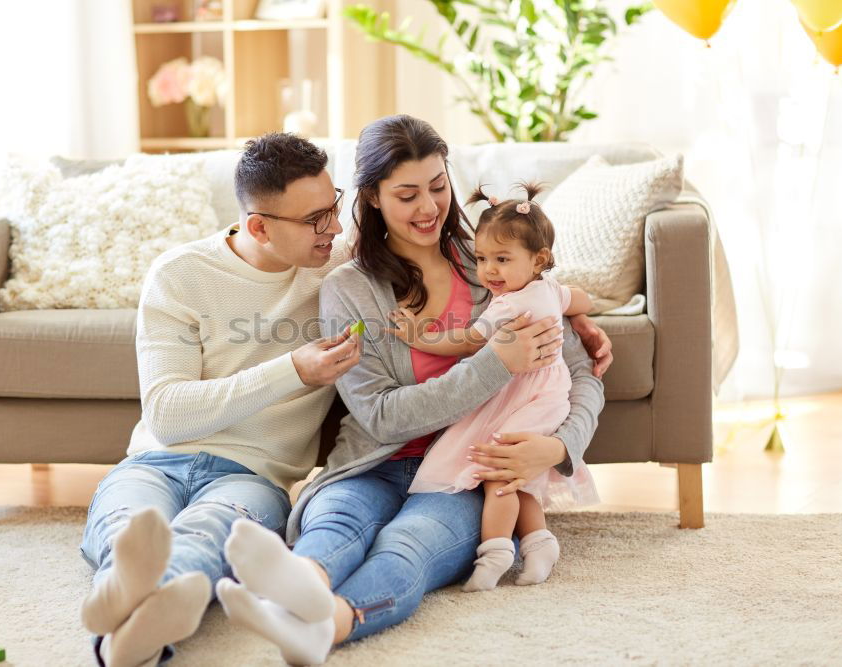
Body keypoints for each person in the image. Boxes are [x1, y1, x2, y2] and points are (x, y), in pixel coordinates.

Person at [215, 114, 612, 665]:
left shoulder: (496, 266)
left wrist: (562, 446)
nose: (429, 207)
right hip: (372, 462)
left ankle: (332, 622)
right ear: (373, 197)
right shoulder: (349, 289)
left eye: (438, 186)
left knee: (409, 547)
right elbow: (380, 416)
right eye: (407, 194)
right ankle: (293, 595)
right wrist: (494, 364)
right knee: (338, 523)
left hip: (466, 473)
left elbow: (579, 373)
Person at [77, 133, 363, 667]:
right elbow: (167, 413)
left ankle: (120, 637)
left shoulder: (340, 271)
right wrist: (292, 370)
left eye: (335, 206)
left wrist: (565, 301)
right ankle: (142, 611)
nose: (337, 228)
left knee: (208, 532)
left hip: (251, 475)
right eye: (315, 220)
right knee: (131, 524)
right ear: (258, 226)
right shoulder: (180, 274)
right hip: (155, 460)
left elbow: (455, 260)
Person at [391, 183, 601, 593]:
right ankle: (540, 544)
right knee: (515, 472)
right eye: (483, 258)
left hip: (529, 392)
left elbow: (468, 340)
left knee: (496, 468)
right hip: (547, 392)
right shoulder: (546, 290)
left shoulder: (508, 304)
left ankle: (496, 551)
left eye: (503, 260)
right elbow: (583, 297)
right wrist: (577, 316)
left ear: (539, 260)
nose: (489, 271)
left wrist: (420, 337)